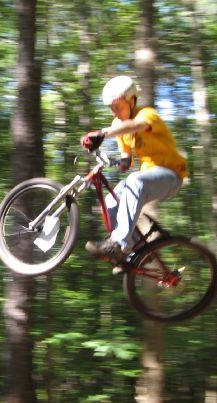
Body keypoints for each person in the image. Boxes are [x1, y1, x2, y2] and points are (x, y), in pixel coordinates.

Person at [80, 75, 188, 263]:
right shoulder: (118, 126)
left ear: (131, 101)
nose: (114, 113)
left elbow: (136, 126)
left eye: (118, 107)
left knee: (134, 181)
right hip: (150, 178)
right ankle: (136, 252)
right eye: (111, 109)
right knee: (110, 201)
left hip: (171, 176)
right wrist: (115, 161)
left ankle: (118, 244)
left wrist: (103, 133)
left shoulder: (146, 114)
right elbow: (126, 161)